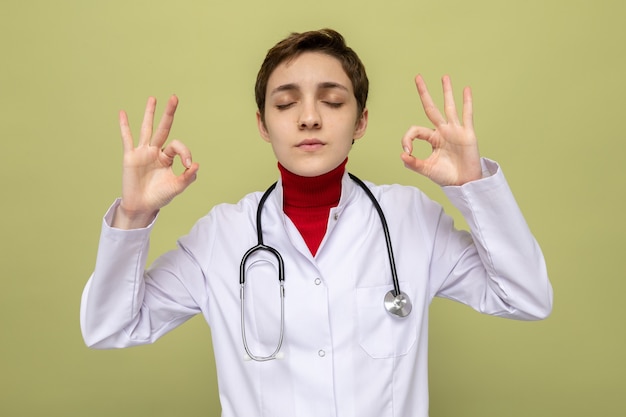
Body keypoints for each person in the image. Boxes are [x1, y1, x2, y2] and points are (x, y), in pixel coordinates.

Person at [80, 28, 553, 417]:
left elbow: (526, 297)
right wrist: (134, 215)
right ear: (264, 125)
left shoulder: (411, 221)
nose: (309, 118)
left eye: (332, 101)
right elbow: (109, 327)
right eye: (286, 104)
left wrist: (472, 185)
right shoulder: (220, 238)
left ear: (361, 121)